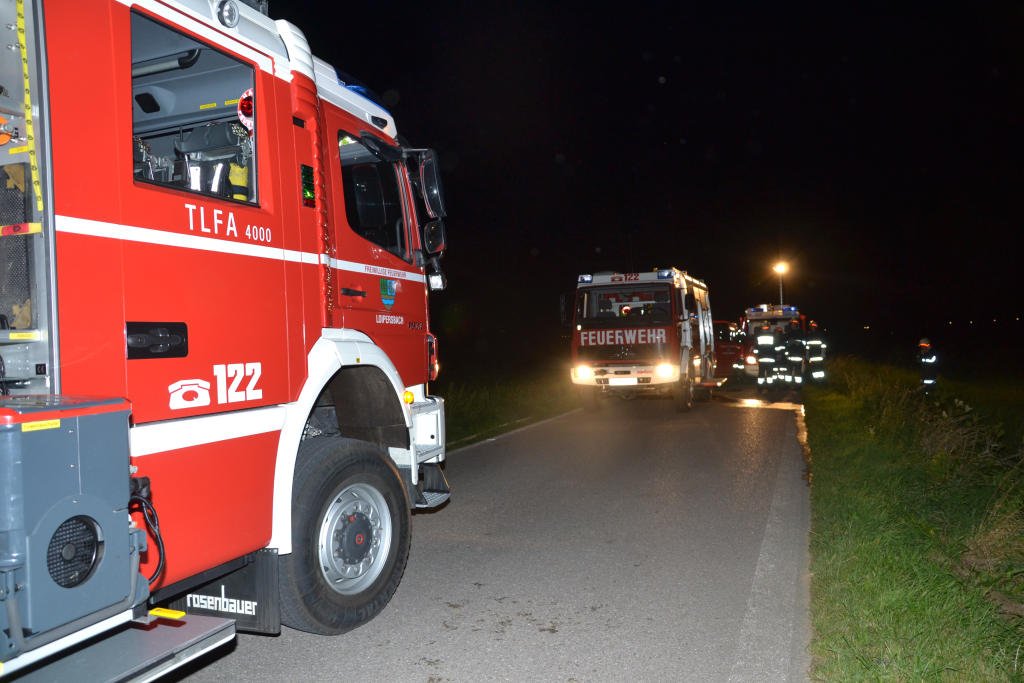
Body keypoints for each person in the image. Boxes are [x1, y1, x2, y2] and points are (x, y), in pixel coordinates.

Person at [754, 323, 777, 390]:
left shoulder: (758, 336)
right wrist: (775, 355)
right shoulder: (773, 336)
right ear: (769, 328)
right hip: (771, 358)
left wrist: (757, 355)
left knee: (761, 374)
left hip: (762, 358)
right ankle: (770, 387)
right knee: (770, 374)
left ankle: (760, 388)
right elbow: (775, 347)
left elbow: (756, 349)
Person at [784, 319, 805, 384]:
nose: (793, 326)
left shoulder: (801, 333)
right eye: (792, 325)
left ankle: (797, 385)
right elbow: (785, 344)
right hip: (790, 356)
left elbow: (804, 343)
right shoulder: (788, 333)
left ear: (796, 325)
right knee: (789, 372)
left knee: (798, 372)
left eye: (794, 325)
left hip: (798, 355)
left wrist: (798, 344)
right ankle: (788, 384)